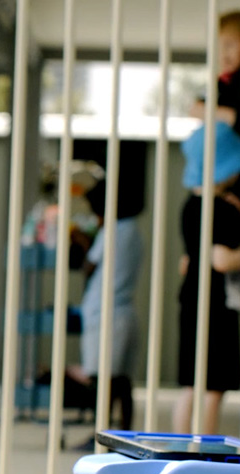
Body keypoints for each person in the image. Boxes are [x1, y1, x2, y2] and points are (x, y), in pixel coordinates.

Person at [173, 121, 240, 434]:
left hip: (190, 297)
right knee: (214, 385)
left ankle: (179, 446)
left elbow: (186, 261)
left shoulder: (190, 206)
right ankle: (203, 450)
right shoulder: (222, 209)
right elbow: (221, 259)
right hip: (215, 304)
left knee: (191, 383)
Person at [66, 178, 145, 434]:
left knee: (102, 381)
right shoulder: (134, 231)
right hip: (124, 312)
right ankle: (124, 434)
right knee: (122, 381)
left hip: (104, 312)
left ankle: (101, 436)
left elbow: (89, 267)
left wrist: (81, 240)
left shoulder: (112, 230)